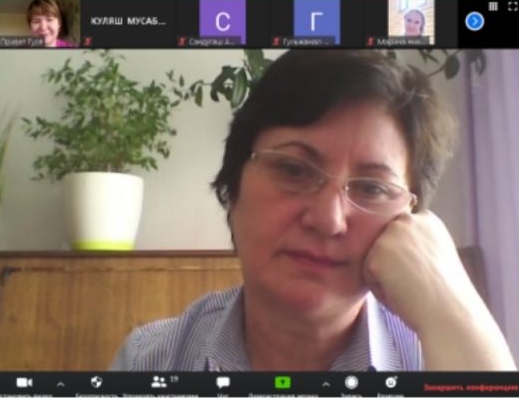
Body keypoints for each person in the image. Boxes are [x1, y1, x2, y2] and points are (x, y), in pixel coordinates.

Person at [111, 51, 517, 371]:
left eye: (372, 188)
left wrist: (451, 313)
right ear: (233, 186)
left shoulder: (441, 359)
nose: (328, 219)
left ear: (411, 222)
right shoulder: (150, 361)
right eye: (293, 170)